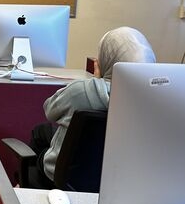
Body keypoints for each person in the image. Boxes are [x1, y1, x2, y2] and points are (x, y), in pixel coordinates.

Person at [31, 26, 156, 183]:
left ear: (106, 60)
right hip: (116, 182)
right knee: (44, 131)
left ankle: (31, 191)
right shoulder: (153, 99)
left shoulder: (82, 91)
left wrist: (96, 80)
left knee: (40, 135)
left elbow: (50, 110)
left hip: (62, 177)